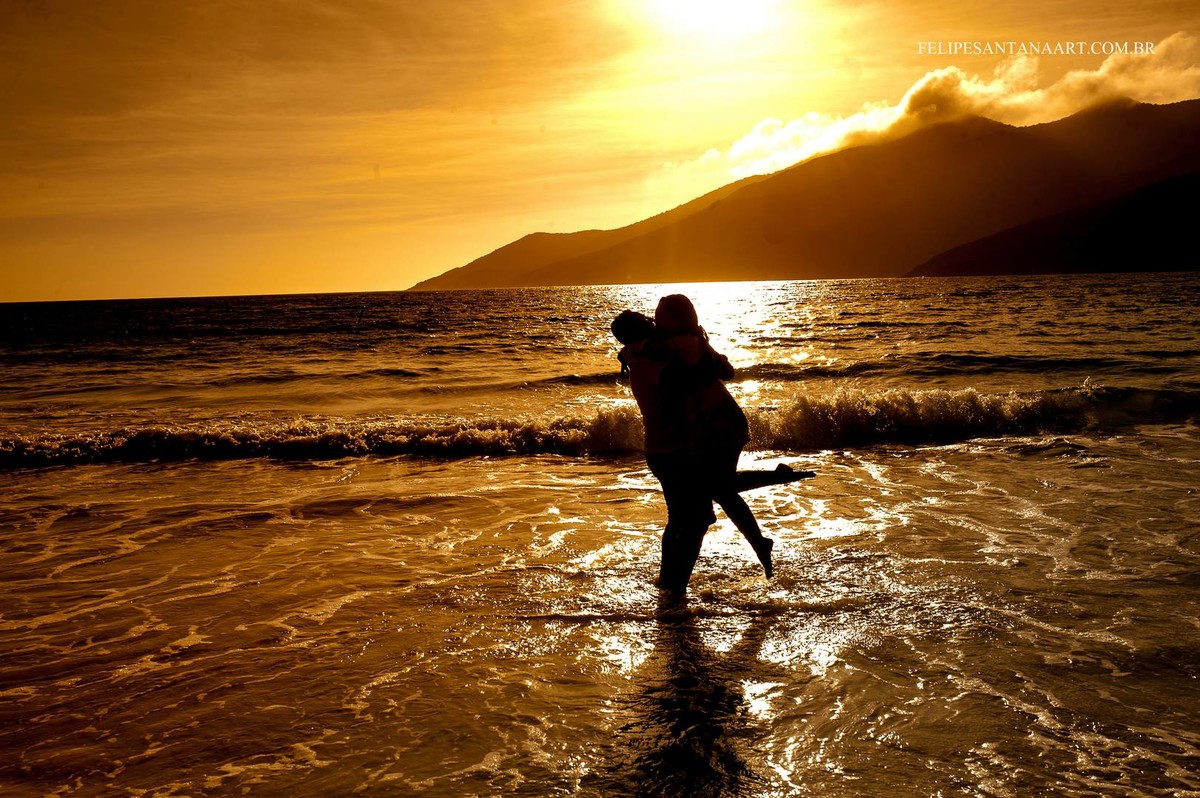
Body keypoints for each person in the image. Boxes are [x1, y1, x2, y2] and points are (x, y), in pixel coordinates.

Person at [653, 295, 775, 579]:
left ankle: (760, 540)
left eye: (662, 315)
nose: (658, 320)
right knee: (721, 489)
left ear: (679, 319)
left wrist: (632, 349)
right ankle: (759, 543)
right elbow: (726, 369)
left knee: (719, 488)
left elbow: (652, 351)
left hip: (719, 425)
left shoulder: (681, 341)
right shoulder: (696, 340)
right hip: (719, 423)